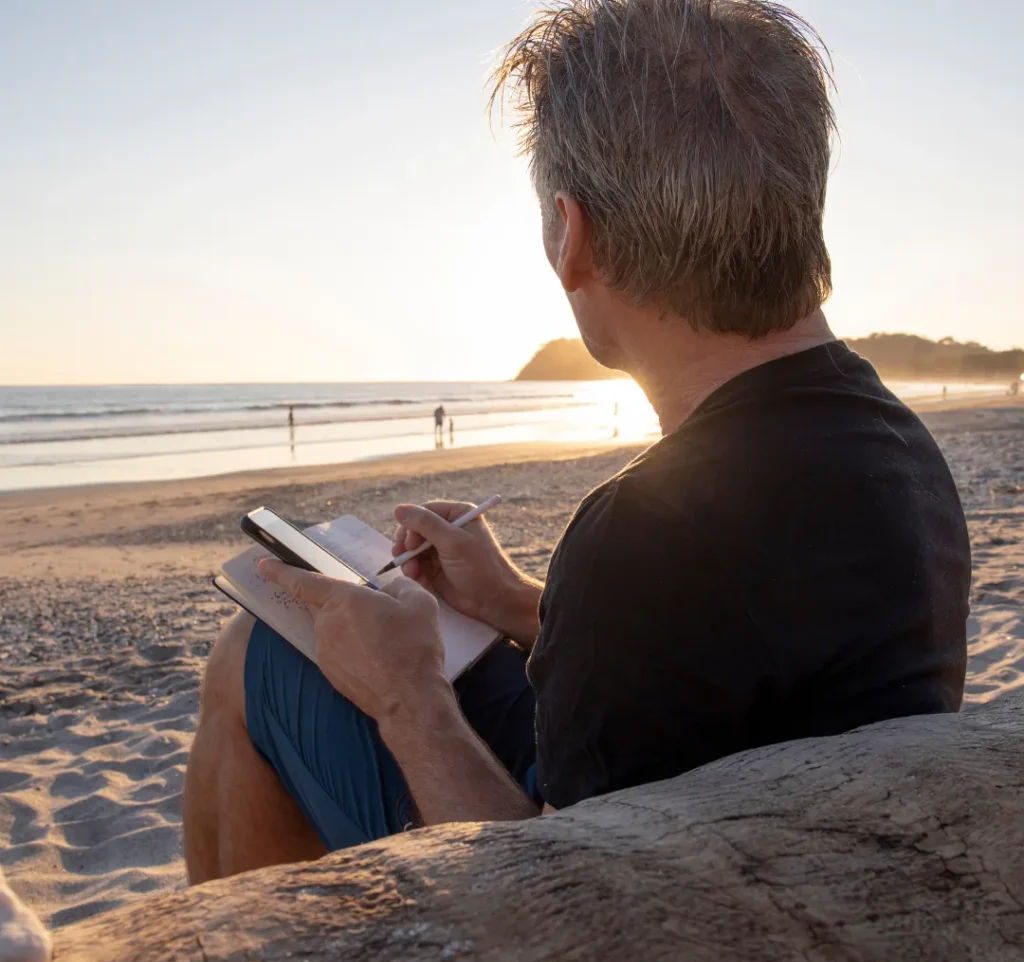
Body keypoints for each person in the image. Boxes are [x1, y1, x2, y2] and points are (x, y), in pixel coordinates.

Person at [183, 0, 970, 881]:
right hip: (777, 833)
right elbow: (739, 657)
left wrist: (410, 698)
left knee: (250, 655)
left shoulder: (645, 537)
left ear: (573, 235)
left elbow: (553, 890)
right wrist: (515, 602)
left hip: (674, 905)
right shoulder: (899, 447)